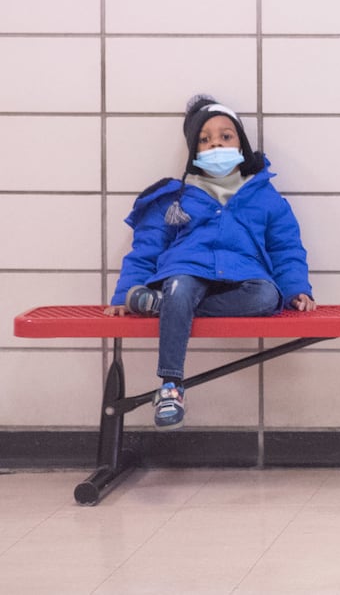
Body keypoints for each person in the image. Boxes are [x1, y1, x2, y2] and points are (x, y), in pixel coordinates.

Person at [107, 95, 314, 430]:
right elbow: (146, 247)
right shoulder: (174, 197)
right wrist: (125, 293)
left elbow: (286, 248)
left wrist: (295, 290)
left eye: (225, 136)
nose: (216, 143)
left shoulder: (265, 196)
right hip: (185, 270)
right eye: (205, 140)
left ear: (242, 144)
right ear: (194, 152)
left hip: (245, 276)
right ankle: (171, 386)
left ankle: (165, 305)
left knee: (267, 297)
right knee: (180, 286)